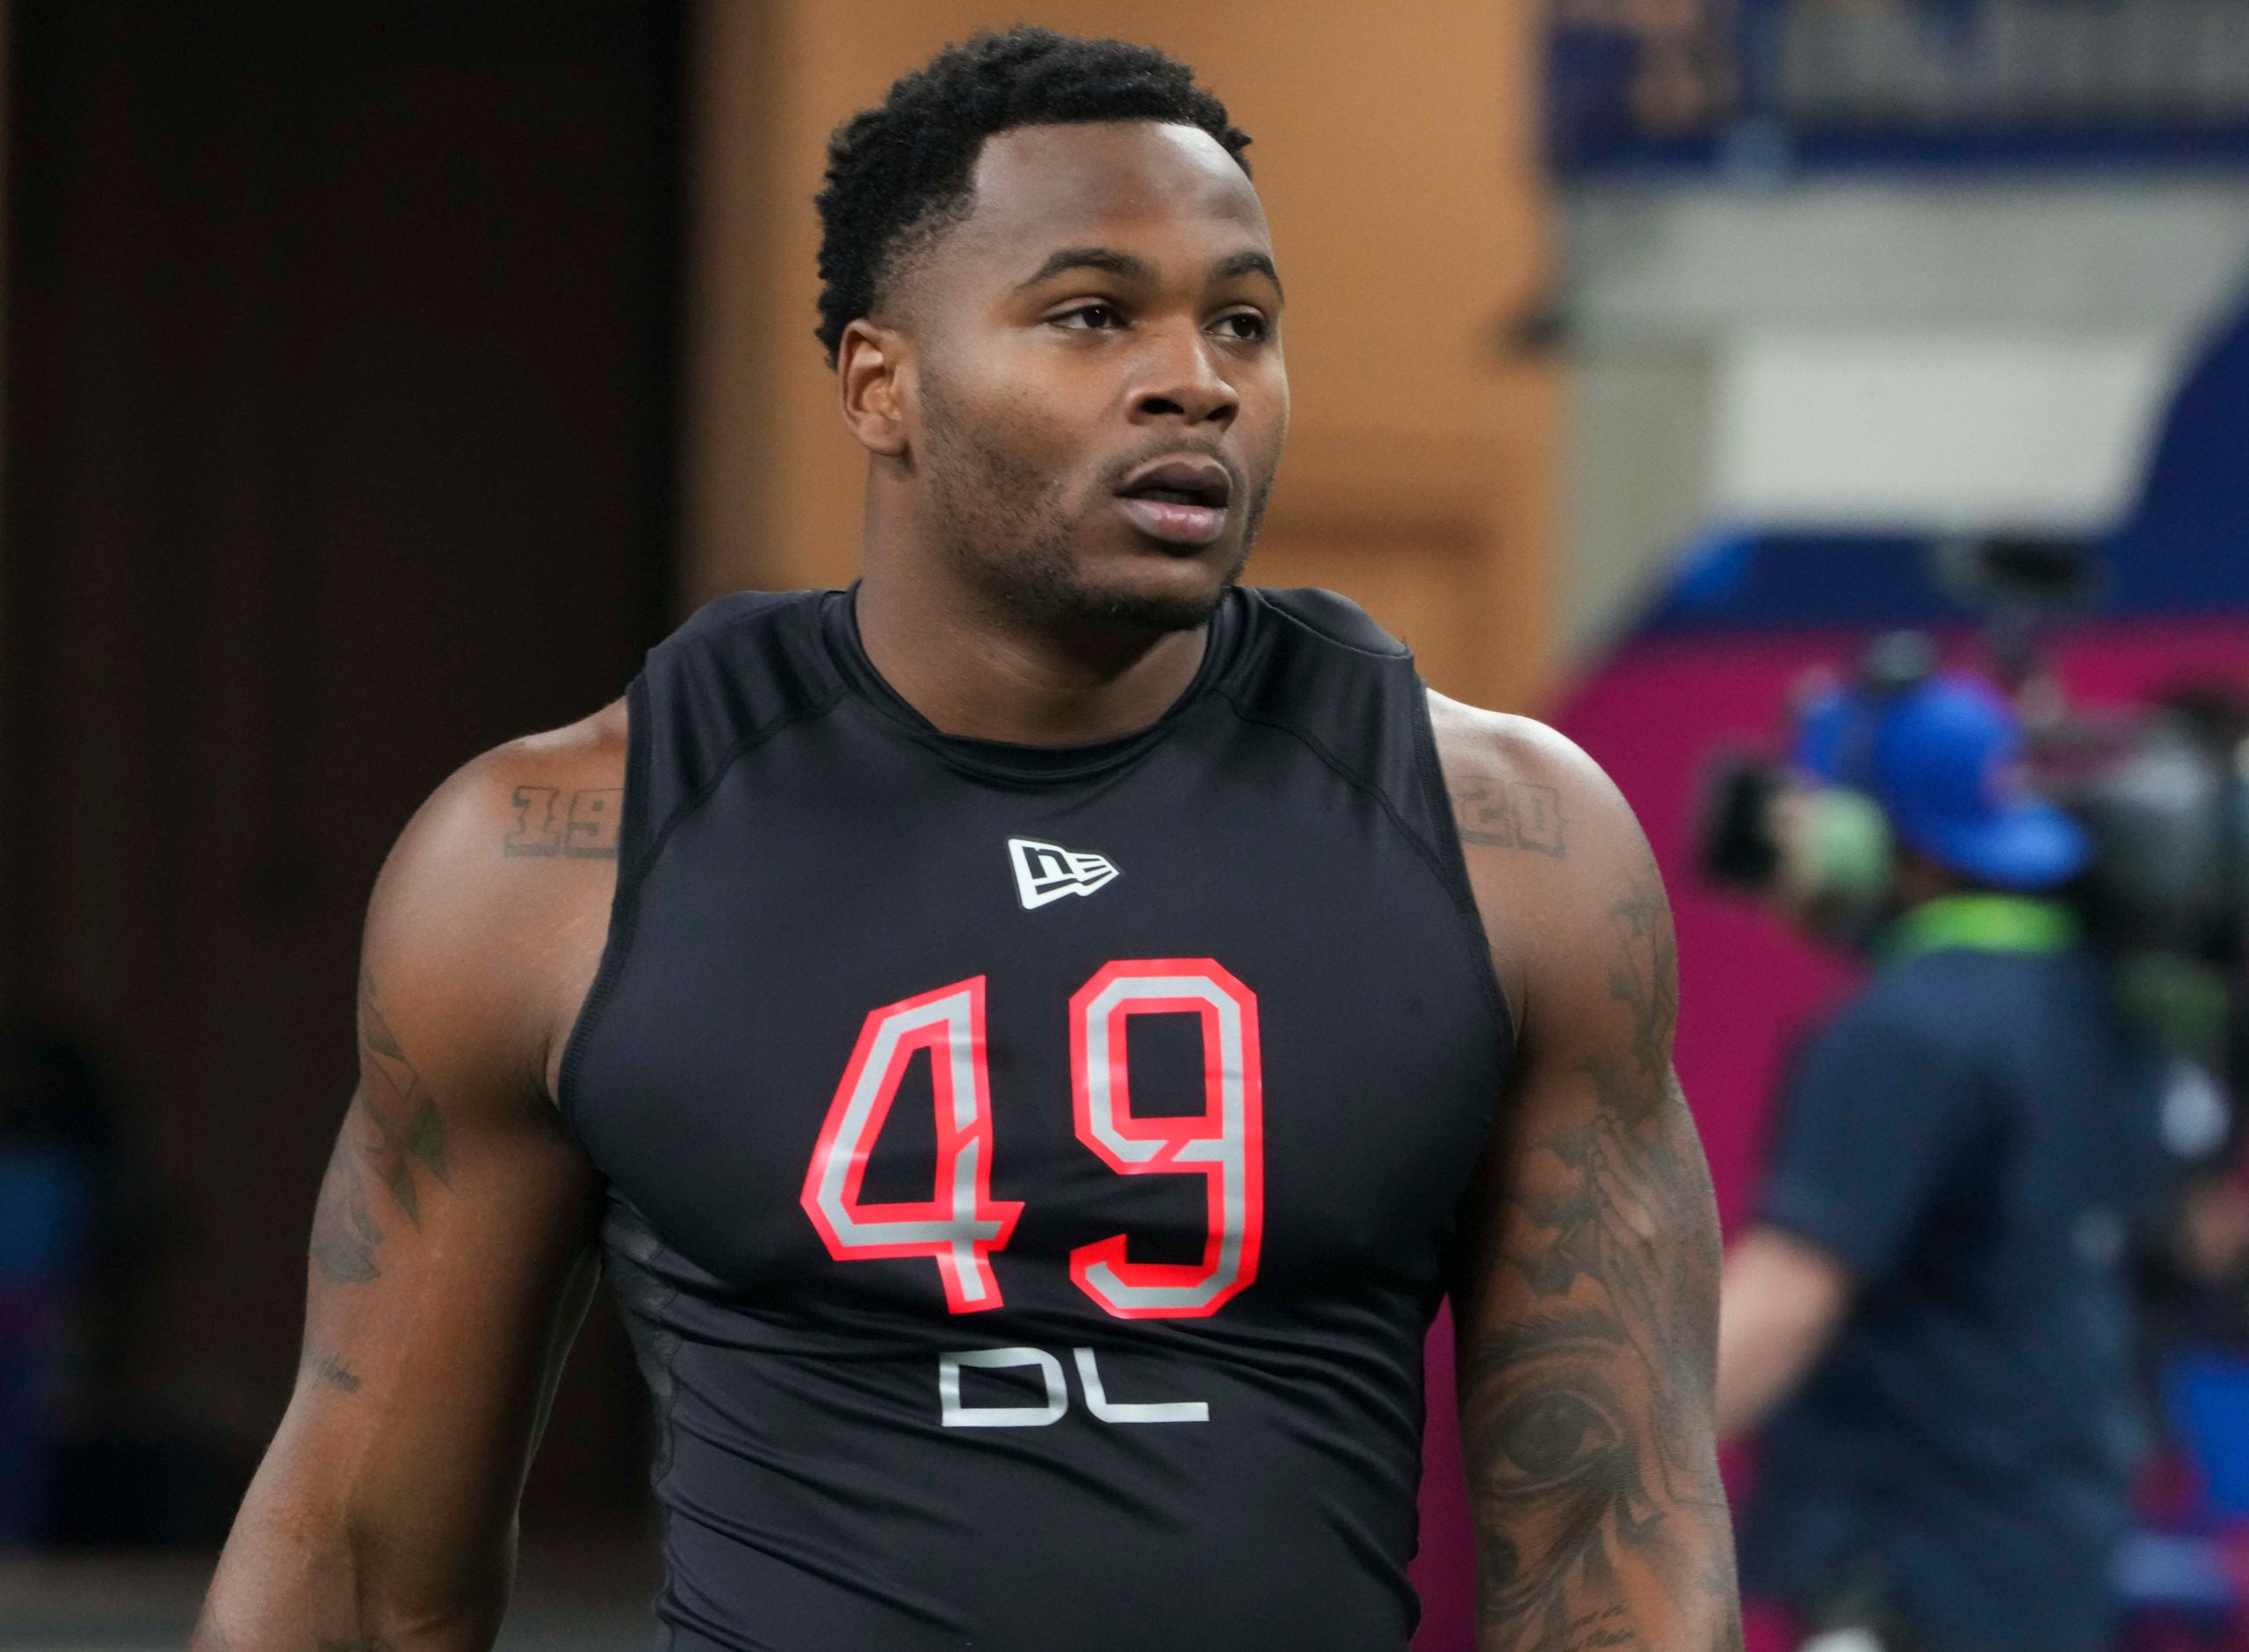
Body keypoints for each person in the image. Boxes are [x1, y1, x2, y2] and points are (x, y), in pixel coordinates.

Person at [193, 29, 1740, 1652]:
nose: (1194, 378)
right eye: (1092, 315)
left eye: (1243, 322)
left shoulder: (1510, 842)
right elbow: (365, 1563)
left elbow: (1607, 1534)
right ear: (882, 385)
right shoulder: (555, 856)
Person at [1717, 658, 2175, 1652]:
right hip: (2047, 1561)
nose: (1782, 832)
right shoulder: (2085, 1000)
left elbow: (1786, 1299)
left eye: (1807, 802)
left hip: (1907, 1576)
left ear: (1870, 832)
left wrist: (1601, 1454)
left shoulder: (1902, 1031)